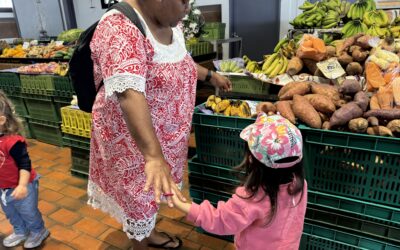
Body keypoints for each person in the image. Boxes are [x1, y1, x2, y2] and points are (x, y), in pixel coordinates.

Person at [87, 0, 232, 249]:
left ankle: (148, 233)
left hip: (164, 140)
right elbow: (129, 94)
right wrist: (153, 156)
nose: (187, 8)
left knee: (151, 195)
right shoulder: (119, 27)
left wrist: (210, 76)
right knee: (139, 196)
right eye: (183, 1)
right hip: (135, 145)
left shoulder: (170, 24)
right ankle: (140, 244)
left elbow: (179, 61)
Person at [171, 113, 308, 250]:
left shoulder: (253, 197)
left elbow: (219, 220)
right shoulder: (300, 184)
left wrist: (180, 203)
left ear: (250, 159)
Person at [0, 91, 49, 249]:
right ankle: (20, 231)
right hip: (4, 189)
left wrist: (21, 185)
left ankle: (38, 231)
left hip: (23, 186)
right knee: (11, 212)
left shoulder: (13, 142)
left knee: (28, 212)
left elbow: (24, 165)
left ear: (1, 120)